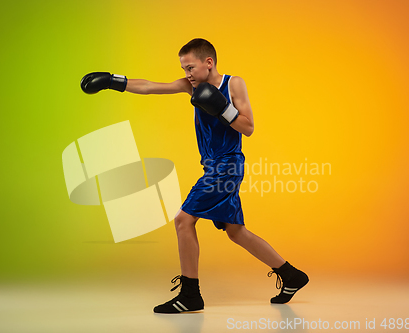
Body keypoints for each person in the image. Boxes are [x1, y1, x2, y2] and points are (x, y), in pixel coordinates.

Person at [80, 38, 309, 313]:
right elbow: (152, 87)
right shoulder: (192, 86)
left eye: (190, 67)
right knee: (236, 232)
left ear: (208, 63)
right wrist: (113, 81)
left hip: (227, 165)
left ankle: (190, 295)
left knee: (183, 220)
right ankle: (292, 275)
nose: (187, 74)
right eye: (184, 69)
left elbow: (248, 128)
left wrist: (222, 107)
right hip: (213, 166)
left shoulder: (233, 83)